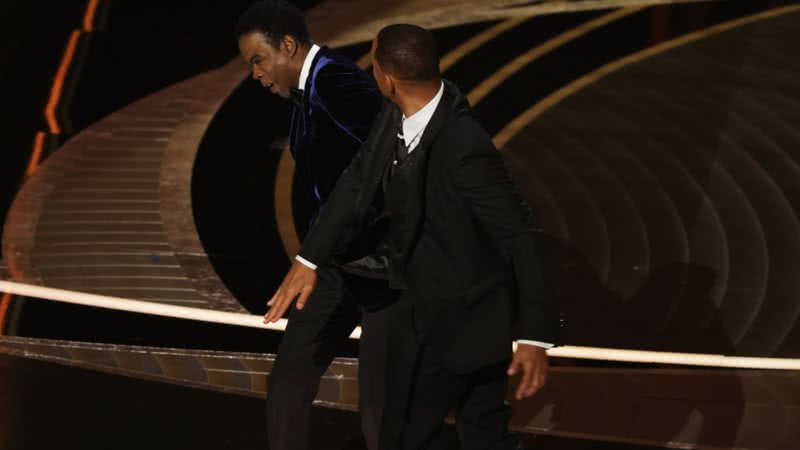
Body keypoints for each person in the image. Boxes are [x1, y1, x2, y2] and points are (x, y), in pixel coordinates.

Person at [269, 24, 560, 449]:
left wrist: (535, 336)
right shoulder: (397, 112)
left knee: (429, 432)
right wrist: (309, 259)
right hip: (425, 311)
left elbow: (522, 234)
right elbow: (356, 182)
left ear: (387, 76)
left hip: (461, 323)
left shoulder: (464, 147)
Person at [234, 2, 388, 450]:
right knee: (289, 376)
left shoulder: (337, 82)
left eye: (258, 60)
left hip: (385, 262)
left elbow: (379, 168)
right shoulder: (311, 90)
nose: (256, 74)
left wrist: (309, 256)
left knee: (379, 405)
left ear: (287, 46)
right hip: (339, 262)